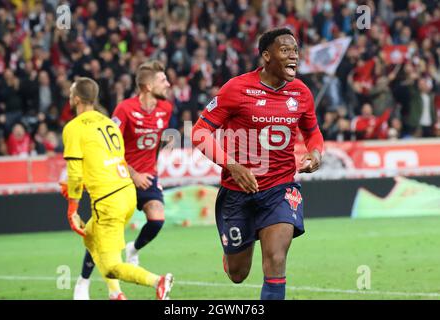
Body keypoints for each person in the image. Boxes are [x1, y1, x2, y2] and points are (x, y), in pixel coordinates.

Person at [191, 28, 324, 300]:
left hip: (281, 189)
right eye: (285, 50)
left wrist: (316, 154)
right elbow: (199, 132)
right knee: (238, 274)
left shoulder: (301, 93)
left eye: (295, 51)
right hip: (237, 192)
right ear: (266, 56)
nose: (293, 56)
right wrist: (232, 166)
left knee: (275, 259)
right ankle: (231, 256)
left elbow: (312, 133)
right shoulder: (236, 88)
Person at [62, 77, 173, 300]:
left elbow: (74, 172)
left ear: (75, 99)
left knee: (111, 266)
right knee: (90, 236)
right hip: (127, 193)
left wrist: (72, 207)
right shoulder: (107, 123)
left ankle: (157, 281)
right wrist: (85, 183)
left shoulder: (73, 128)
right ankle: (114, 293)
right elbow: (109, 160)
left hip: (108, 201)